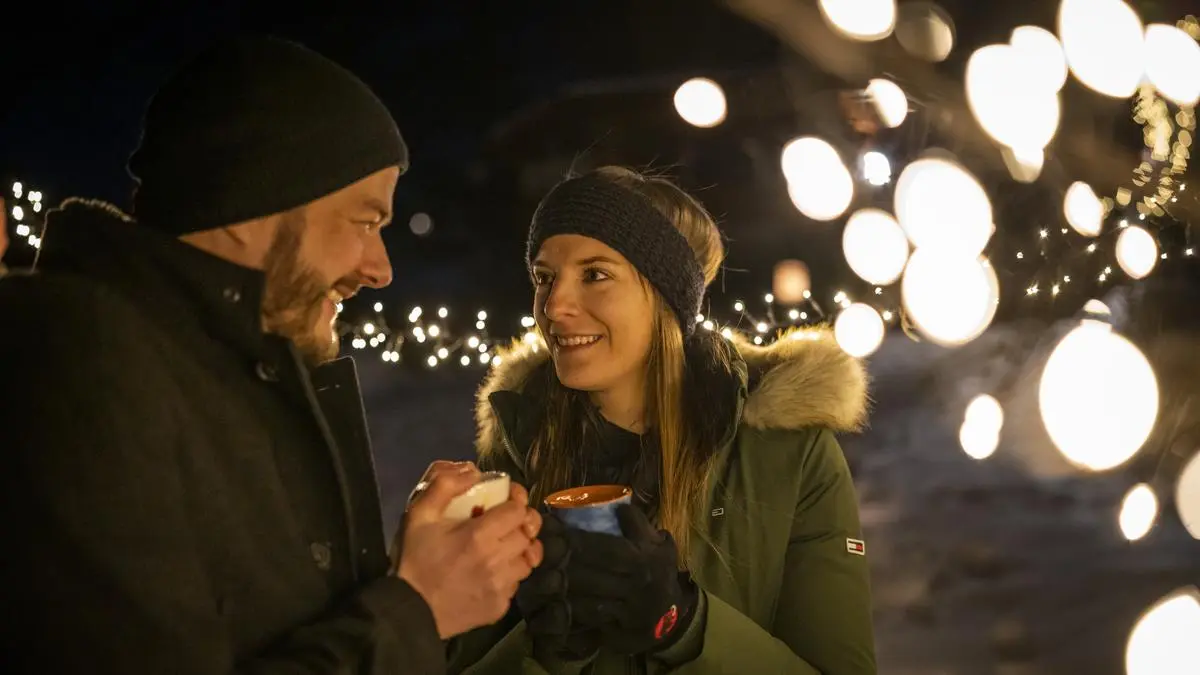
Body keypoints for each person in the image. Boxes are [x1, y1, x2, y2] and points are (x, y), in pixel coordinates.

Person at [0, 36, 542, 674]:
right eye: (365, 222)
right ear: (244, 205)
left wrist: (419, 575)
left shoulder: (236, 366)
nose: (381, 270)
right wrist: (417, 610)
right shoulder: (79, 358)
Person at [449, 166, 876, 674]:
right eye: (544, 277)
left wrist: (682, 624)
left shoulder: (789, 455)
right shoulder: (517, 452)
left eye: (595, 274)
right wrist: (548, 652)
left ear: (666, 297)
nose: (554, 305)